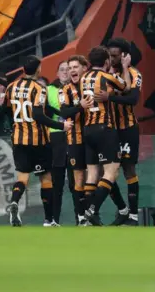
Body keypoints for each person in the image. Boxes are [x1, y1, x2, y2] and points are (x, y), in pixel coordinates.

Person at [3, 55, 73, 227]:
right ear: (38, 69)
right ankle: (49, 220)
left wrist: (14, 124)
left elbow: (5, 109)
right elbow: (39, 115)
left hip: (19, 139)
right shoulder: (39, 89)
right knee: (46, 178)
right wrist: (61, 125)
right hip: (38, 140)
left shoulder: (11, 87)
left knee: (23, 177)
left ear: (23, 69)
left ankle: (14, 202)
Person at [80, 46, 131, 226]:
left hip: (88, 129)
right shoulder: (106, 77)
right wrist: (124, 67)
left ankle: (87, 218)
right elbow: (126, 87)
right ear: (107, 61)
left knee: (92, 174)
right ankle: (92, 210)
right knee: (111, 172)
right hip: (105, 128)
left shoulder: (83, 78)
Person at [96, 38, 142, 226]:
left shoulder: (134, 73)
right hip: (108, 130)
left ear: (124, 56)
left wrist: (111, 96)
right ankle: (122, 209)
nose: (112, 59)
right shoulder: (103, 74)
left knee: (128, 169)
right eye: (110, 55)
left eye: (115, 56)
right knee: (105, 172)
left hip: (127, 128)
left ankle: (133, 216)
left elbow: (133, 99)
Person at [59, 55, 90, 225]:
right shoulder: (65, 90)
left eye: (75, 67)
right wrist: (80, 107)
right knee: (78, 179)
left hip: (93, 138)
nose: (71, 70)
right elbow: (64, 113)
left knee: (97, 177)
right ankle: (81, 217)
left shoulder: (92, 85)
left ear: (84, 68)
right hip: (75, 140)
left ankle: (93, 213)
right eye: (69, 68)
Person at [46, 61, 70, 224]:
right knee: (57, 181)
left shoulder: (76, 89)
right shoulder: (49, 90)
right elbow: (45, 109)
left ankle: (81, 218)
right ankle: (54, 219)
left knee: (77, 180)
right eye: (62, 69)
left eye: (68, 69)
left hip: (75, 136)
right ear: (57, 73)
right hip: (56, 137)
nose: (65, 72)